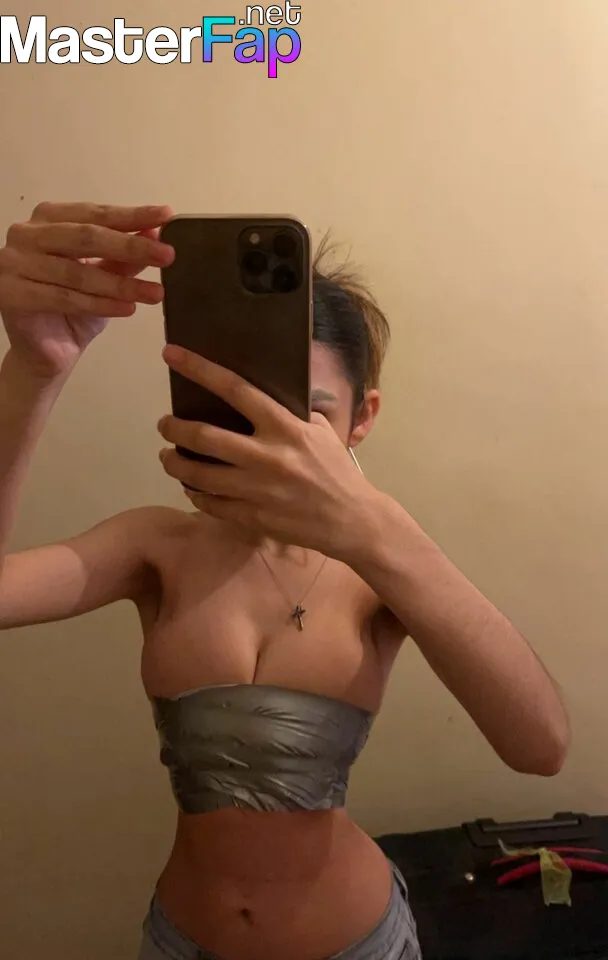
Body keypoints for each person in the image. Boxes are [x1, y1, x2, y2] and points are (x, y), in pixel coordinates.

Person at [0, 202, 569, 960]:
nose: (272, 447)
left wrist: (375, 529)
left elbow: (540, 746)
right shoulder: (156, 545)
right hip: (182, 942)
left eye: (307, 418)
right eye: (240, 411)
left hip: (357, 944)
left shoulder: (382, 571)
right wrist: (32, 371)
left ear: (361, 419)